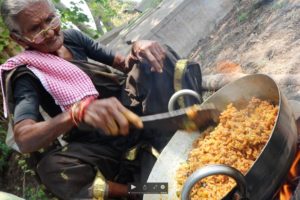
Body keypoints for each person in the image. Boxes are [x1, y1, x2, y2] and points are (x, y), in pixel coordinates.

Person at [0, 0, 200, 199]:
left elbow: (124, 65)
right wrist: (77, 112)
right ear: (19, 39)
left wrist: (138, 48)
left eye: (51, 19)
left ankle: (191, 133)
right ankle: (140, 191)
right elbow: (24, 138)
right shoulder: (25, 75)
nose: (50, 32)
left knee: (158, 55)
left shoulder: (72, 38)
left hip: (131, 110)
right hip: (98, 140)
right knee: (52, 169)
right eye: (36, 29)